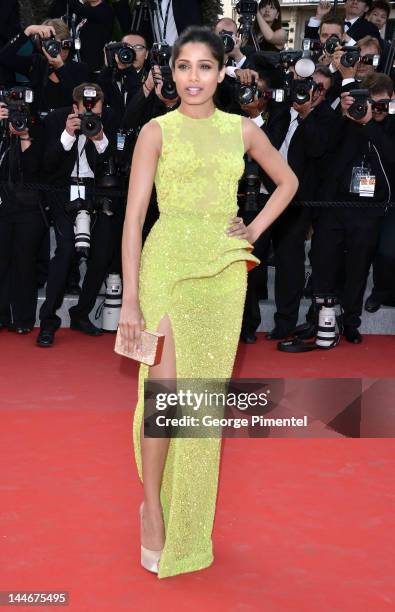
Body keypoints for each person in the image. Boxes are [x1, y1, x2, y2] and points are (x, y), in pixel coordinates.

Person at [119, 25, 298, 578]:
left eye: (203, 67)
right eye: (182, 66)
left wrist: (252, 231)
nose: (192, 77)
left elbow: (287, 182)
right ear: (171, 73)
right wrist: (130, 298)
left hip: (222, 273)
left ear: (222, 74)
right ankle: (152, 508)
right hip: (168, 264)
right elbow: (132, 221)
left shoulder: (242, 130)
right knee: (166, 394)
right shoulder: (156, 130)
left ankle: (190, 523)